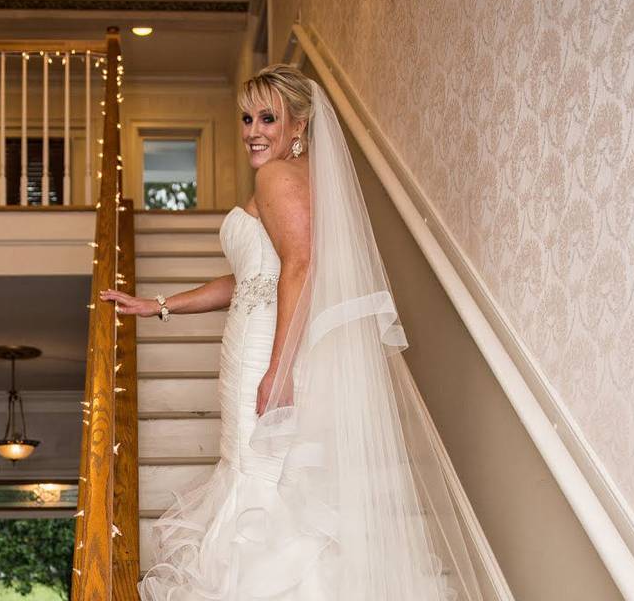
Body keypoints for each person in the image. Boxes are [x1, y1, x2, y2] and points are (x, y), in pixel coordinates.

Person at [100, 65, 481, 600]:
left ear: (298, 127)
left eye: (269, 119)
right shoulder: (293, 179)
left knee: (257, 481)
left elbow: (301, 266)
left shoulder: (275, 178)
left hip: (265, 348)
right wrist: (158, 305)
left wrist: (278, 370)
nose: (253, 129)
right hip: (259, 338)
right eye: (247, 117)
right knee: (260, 477)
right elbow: (253, 277)